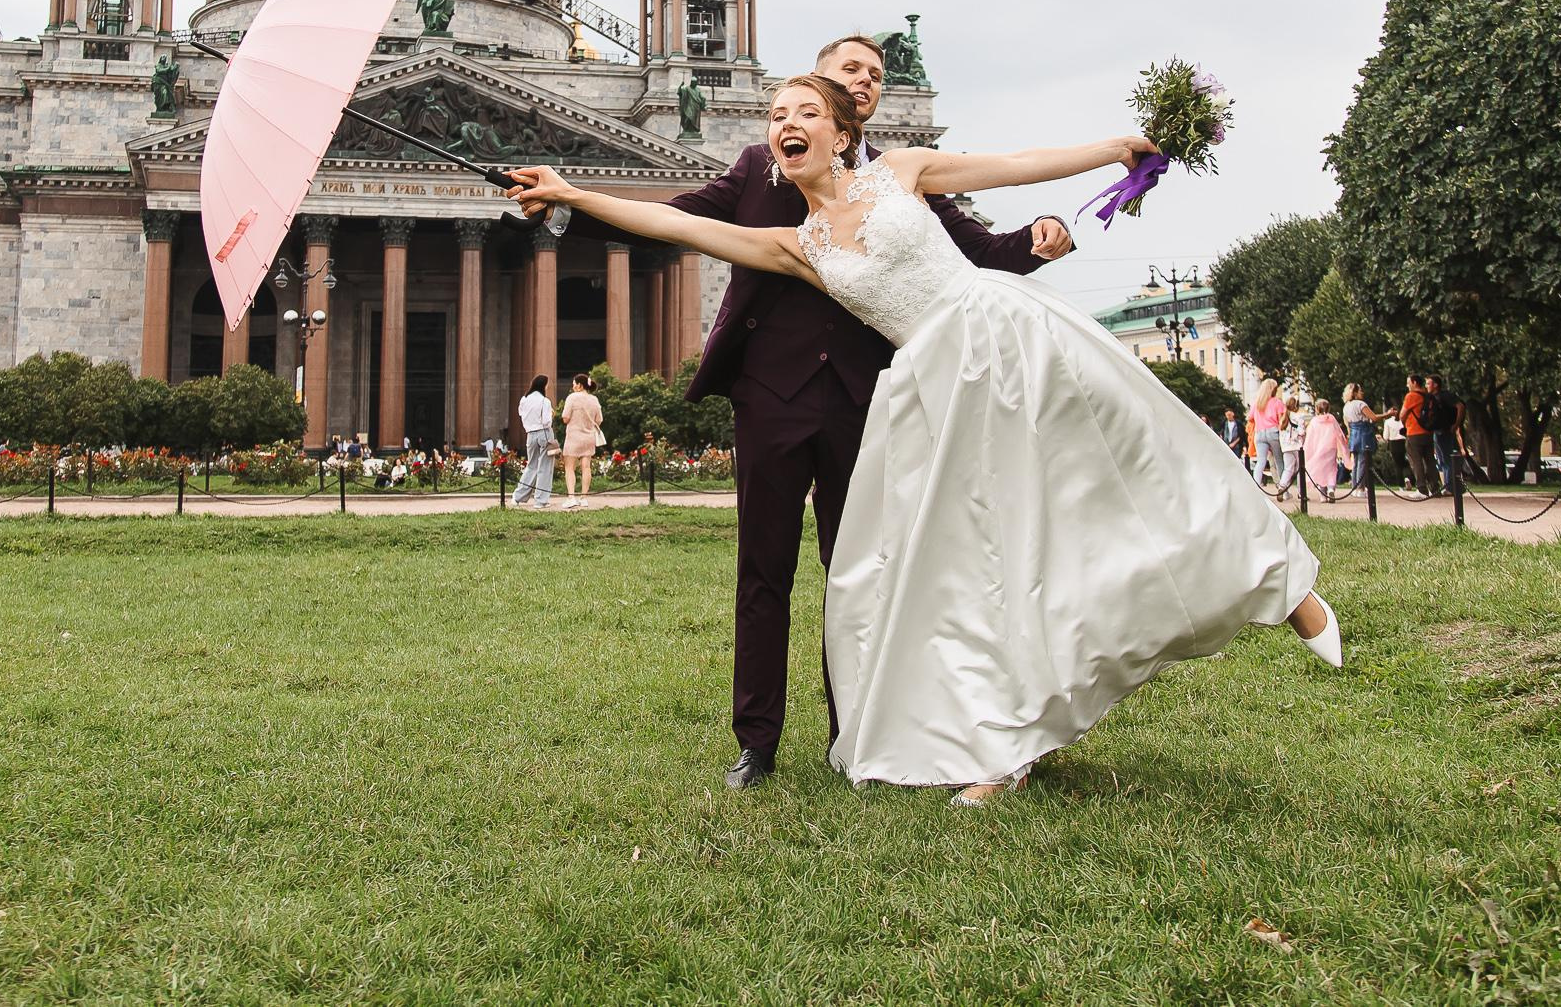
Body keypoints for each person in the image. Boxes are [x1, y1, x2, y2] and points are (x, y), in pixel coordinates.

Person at [510, 72, 1335, 803]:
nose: (785, 123)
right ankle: (1004, 743)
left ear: (842, 134)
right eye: (774, 115)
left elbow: (1015, 164)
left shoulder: (901, 171)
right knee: (985, 564)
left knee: (1132, 469)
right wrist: (571, 191)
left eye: (804, 112)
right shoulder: (798, 247)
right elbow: (674, 225)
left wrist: (1113, 148)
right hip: (940, 391)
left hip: (1013, 339)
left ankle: (1279, 580)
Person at [657, 34, 1073, 791]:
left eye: (877, 75)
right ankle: (757, 743)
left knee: (860, 574)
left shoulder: (899, 177)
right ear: (820, 83)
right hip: (771, 397)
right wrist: (563, 207)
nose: (867, 82)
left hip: (868, 399)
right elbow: (676, 217)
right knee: (763, 574)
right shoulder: (759, 164)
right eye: (851, 70)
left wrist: (1041, 237)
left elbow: (975, 250)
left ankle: (855, 732)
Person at [556, 373, 602, 510]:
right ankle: (584, 498)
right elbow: (599, 420)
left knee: (569, 467)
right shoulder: (594, 399)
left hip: (573, 436)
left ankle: (571, 497)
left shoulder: (572, 398)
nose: (573, 386)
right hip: (589, 437)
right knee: (586, 467)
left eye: (574, 384)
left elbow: (565, 417)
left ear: (580, 385)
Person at [511, 377, 556, 511]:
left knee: (531, 466)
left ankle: (518, 496)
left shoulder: (524, 399)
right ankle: (540, 500)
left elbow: (521, 414)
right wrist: (552, 415)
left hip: (530, 434)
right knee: (545, 467)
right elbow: (546, 421)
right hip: (544, 433)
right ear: (543, 385)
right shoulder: (545, 401)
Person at [1424, 376, 1462, 493]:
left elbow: (1460, 406)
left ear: (1435, 385)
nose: (1426, 386)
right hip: (1437, 430)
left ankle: (1451, 487)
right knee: (1441, 460)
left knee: (1447, 459)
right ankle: (1447, 485)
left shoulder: (1445, 396)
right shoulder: (1432, 398)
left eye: (1428, 383)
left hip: (1445, 430)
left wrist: (1456, 424)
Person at [1399, 375, 1436, 495]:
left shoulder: (1411, 396)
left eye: (1408, 382)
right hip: (1428, 432)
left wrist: (1404, 423)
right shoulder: (1428, 396)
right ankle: (1435, 488)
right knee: (1430, 461)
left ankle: (1421, 488)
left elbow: (1402, 415)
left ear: (1414, 383)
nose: (1407, 385)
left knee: (1416, 461)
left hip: (1414, 432)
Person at [1247, 379, 1287, 490]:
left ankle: (1255, 486)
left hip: (1259, 433)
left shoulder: (1257, 403)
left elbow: (1250, 418)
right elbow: (1281, 420)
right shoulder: (1277, 402)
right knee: (1279, 461)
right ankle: (1283, 489)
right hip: (1273, 432)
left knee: (1261, 461)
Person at [1303, 398, 1346, 502]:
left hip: (1318, 449)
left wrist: (1307, 450)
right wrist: (1343, 445)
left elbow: (1310, 438)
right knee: (1331, 470)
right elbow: (1339, 433)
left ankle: (1323, 496)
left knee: (1320, 471)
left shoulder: (1314, 421)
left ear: (1317, 409)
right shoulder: (1332, 419)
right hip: (1331, 448)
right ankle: (1331, 489)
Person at [1341, 383, 1377, 494]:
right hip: (1363, 433)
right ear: (1355, 393)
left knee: (1356, 463)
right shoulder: (1360, 404)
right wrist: (1387, 414)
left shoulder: (1346, 406)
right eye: (1360, 390)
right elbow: (1374, 417)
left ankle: (1355, 487)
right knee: (1362, 462)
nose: (1362, 392)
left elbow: (1347, 423)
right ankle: (1360, 488)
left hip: (1354, 433)